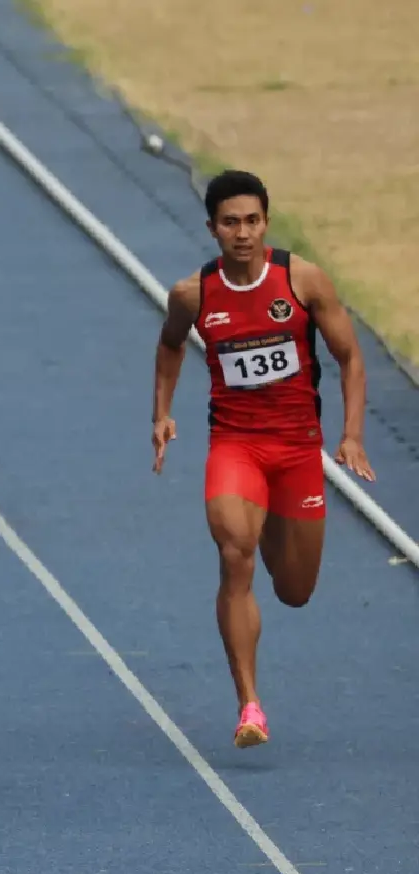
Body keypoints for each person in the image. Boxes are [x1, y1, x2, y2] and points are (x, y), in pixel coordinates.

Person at [153, 169, 374, 747]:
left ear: (266, 224)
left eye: (252, 221)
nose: (242, 233)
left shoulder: (302, 281)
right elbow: (171, 344)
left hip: (297, 450)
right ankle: (250, 705)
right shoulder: (192, 294)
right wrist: (162, 412)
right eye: (231, 223)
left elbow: (350, 358)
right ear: (212, 228)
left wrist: (350, 436)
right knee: (234, 552)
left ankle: (273, 523)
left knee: (294, 590)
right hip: (236, 444)